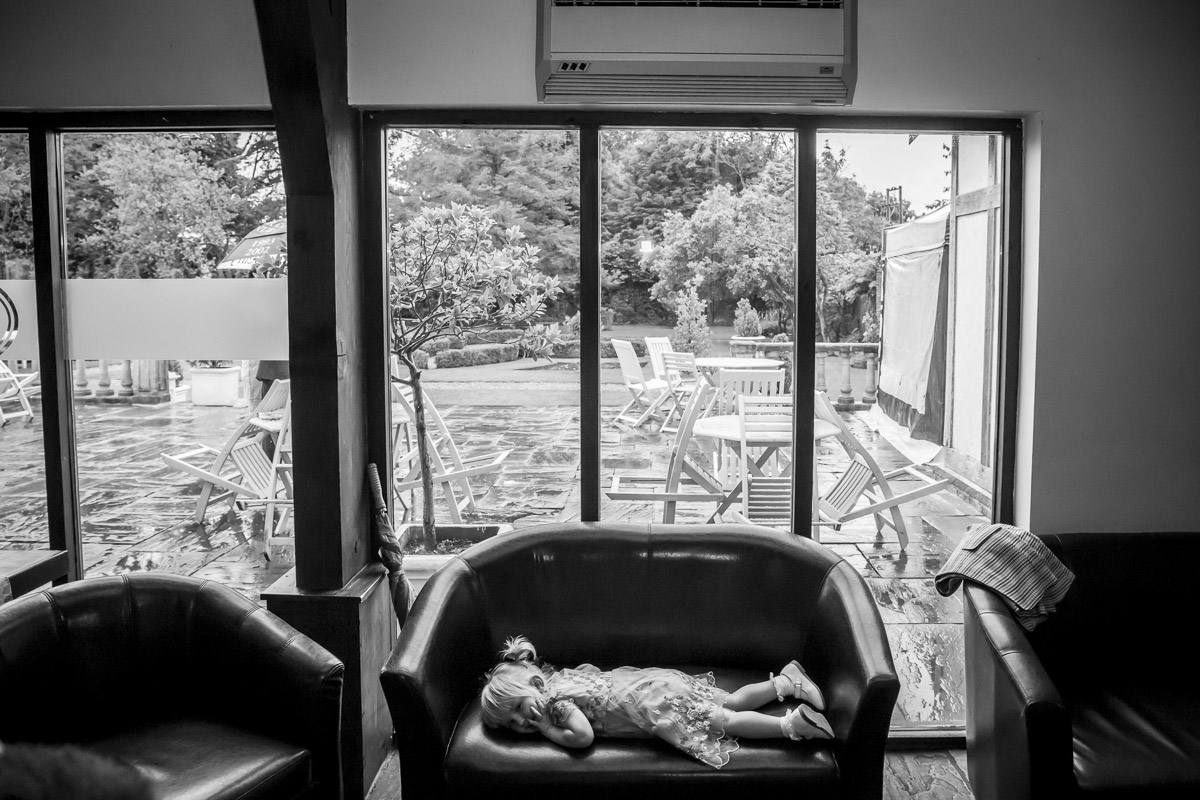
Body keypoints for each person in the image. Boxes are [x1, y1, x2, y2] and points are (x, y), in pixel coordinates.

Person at [479, 635, 834, 769]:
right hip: (650, 684)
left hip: (653, 706)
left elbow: (582, 737)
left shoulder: (556, 705)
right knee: (730, 701)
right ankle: (786, 681)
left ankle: (790, 725)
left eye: (517, 709)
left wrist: (546, 729)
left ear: (536, 686)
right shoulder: (563, 677)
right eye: (511, 723)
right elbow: (592, 670)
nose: (520, 723)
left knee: (722, 720)